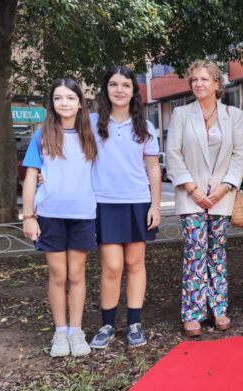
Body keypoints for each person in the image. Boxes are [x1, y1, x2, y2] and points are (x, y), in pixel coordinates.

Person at [166, 60, 243, 336]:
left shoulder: (233, 114)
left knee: (217, 253)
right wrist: (192, 188)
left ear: (216, 83)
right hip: (192, 196)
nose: (198, 84)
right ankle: (193, 312)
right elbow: (173, 154)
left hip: (222, 196)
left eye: (204, 79)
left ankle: (219, 309)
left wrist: (225, 187)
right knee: (195, 252)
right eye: (194, 80)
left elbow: (239, 155)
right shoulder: (181, 114)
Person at [21, 79, 98, 357]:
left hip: (82, 215)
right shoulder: (42, 135)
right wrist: (28, 216)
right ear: (51, 104)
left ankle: (77, 330)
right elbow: (30, 177)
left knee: (76, 274)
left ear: (80, 102)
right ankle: (60, 331)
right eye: (57, 98)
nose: (63, 103)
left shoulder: (91, 134)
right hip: (50, 215)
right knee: (58, 274)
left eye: (69, 97)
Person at [88, 66, 161, 349]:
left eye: (126, 85)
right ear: (106, 89)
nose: (120, 90)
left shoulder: (146, 126)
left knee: (134, 264)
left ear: (134, 91)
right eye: (114, 84)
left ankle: (134, 324)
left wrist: (155, 204)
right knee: (112, 267)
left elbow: (154, 170)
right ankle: (106, 325)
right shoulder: (92, 122)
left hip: (137, 202)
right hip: (103, 202)